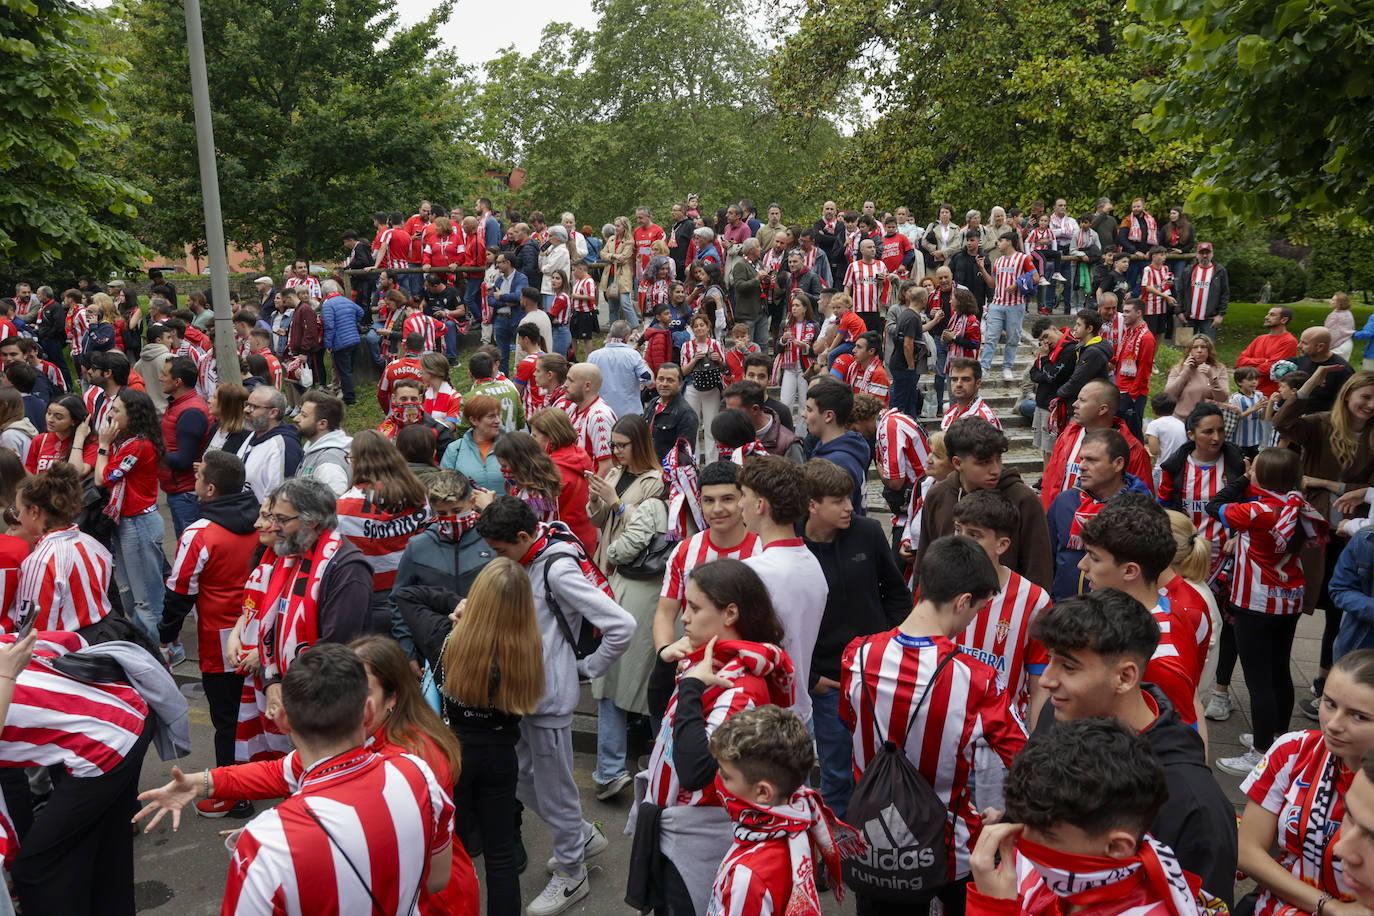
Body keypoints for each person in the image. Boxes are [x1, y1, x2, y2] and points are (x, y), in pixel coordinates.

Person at [842, 535, 1027, 915]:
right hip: (948, 855)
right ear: (962, 601)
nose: (972, 618)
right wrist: (1008, 815)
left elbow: (850, 725)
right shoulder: (977, 679)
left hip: (874, 848)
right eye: (975, 610)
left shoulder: (856, 655)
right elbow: (1031, 762)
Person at [476, 497, 635, 915]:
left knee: (556, 789)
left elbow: (622, 625)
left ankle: (572, 872)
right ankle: (579, 836)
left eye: (499, 550)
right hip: (526, 694)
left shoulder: (557, 567)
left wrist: (586, 668)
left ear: (524, 537)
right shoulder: (537, 551)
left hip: (546, 699)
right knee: (520, 776)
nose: (496, 559)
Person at [629, 558, 793, 916]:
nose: (683, 617)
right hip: (675, 829)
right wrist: (666, 663)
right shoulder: (708, 661)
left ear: (730, 613)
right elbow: (662, 717)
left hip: (696, 840)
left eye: (694, 607)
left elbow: (697, 769)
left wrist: (689, 687)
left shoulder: (740, 686)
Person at [397, 557, 542, 916]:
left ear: (475, 598)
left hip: (453, 755)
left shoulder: (444, 638)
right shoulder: (529, 649)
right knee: (501, 855)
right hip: (501, 756)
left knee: (452, 852)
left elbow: (405, 595)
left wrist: (452, 603)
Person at [967, 719, 1211, 916]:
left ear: (1116, 846)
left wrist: (992, 909)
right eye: (1023, 824)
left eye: (1046, 836)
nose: (1020, 843)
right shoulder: (1042, 855)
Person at [1208, 448, 1329, 775]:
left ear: (1261, 476)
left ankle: (1259, 753)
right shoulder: (1298, 506)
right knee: (1279, 673)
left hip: (1255, 603)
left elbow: (1214, 505)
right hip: (1287, 601)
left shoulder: (1256, 511)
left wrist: (1242, 480)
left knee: (1258, 680)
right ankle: (1276, 739)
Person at [802, 458, 911, 819]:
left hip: (878, 670)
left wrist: (897, 645)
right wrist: (812, 677)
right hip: (829, 681)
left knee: (891, 760)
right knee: (836, 773)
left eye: (850, 498)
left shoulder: (867, 532)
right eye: (839, 501)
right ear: (811, 505)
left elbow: (896, 593)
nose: (850, 507)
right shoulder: (791, 547)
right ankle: (839, 853)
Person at [1234, 650, 1374, 916]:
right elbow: (1246, 849)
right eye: (1329, 703)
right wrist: (1328, 906)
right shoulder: (1295, 749)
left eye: (1358, 716)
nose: (1333, 724)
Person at [159, 451, 260, 809]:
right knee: (259, 711)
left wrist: (166, 633)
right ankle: (262, 779)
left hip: (221, 638)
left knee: (226, 718)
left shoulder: (201, 532)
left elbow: (179, 591)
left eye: (199, 477)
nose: (194, 482)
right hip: (262, 631)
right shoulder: (264, 519)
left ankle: (230, 795)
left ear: (212, 489)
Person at [1275, 370, 1374, 720]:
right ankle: (1279, 678)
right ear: (1348, 394)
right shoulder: (1320, 424)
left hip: (1355, 535)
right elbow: (1282, 422)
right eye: (1365, 396)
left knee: (1340, 611)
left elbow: (1370, 488)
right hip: (1313, 531)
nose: (1370, 405)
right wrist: (1313, 379)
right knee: (1304, 600)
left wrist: (1325, 481)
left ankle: (1325, 679)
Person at [705, 704, 862, 916]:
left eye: (726, 776)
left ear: (762, 792)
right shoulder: (801, 822)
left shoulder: (748, 879)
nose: (718, 781)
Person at [585, 415, 667, 800]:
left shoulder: (656, 481)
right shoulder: (616, 473)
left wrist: (616, 503)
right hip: (609, 570)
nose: (615, 452)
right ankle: (625, 767)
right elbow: (603, 522)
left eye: (622, 445)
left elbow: (649, 529)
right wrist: (596, 501)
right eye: (613, 445)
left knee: (626, 676)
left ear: (639, 443)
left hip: (634, 577)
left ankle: (624, 768)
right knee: (626, 676)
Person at [737, 456, 827, 725]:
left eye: (744, 496)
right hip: (796, 708)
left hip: (761, 713)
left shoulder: (755, 572)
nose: (740, 504)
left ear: (760, 505)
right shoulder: (812, 563)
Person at [918, 417, 1054, 591]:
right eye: (984, 462)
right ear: (958, 463)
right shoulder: (937, 495)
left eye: (998, 459)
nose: (995, 469)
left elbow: (1038, 572)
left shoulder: (1024, 499)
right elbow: (924, 561)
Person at [94, 388, 169, 646]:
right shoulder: (126, 441)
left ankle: (165, 649)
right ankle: (143, 645)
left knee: (146, 597)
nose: (109, 414)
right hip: (126, 522)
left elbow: (102, 479)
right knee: (127, 591)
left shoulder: (138, 446)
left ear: (133, 414)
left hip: (139, 525)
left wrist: (102, 446)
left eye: (116, 410)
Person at [335, 430, 430, 631]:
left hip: (368, 593)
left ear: (358, 462)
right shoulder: (418, 493)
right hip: (415, 588)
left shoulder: (344, 507)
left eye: (350, 458)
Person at [529, 407, 598, 554]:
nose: (531, 440)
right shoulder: (579, 454)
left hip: (563, 544)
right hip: (586, 536)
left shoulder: (550, 470)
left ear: (551, 438)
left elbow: (536, 508)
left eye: (535, 436)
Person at [804, 378, 873, 517]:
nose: (803, 414)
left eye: (809, 410)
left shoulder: (838, 462)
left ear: (829, 416)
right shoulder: (838, 446)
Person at [158, 355, 210, 537]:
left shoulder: (190, 412)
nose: (160, 378)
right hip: (180, 491)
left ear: (178, 381)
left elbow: (184, 460)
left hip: (186, 494)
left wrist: (151, 449)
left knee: (189, 547)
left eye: (164, 374)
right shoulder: (179, 404)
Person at [977, 233, 1038, 380]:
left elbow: (1035, 278)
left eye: (1001, 241)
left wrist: (1017, 284)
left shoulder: (1023, 258)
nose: (998, 244)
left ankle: (1007, 367)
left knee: (1012, 337)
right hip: (997, 304)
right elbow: (992, 283)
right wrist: (982, 268)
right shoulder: (997, 260)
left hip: (1015, 304)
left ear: (1009, 242)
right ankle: (984, 368)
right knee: (991, 337)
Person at [235, 385, 302, 500]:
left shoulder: (284, 446)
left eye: (254, 407)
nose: (246, 410)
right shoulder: (254, 432)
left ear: (273, 413)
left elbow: (281, 498)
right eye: (247, 404)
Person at [681, 312, 727, 462]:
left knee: (711, 427)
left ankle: (711, 464)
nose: (699, 328)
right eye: (696, 326)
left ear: (708, 327)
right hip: (692, 387)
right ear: (692, 329)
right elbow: (682, 371)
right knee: (692, 426)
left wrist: (718, 360)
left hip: (712, 389)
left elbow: (724, 368)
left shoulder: (716, 344)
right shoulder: (686, 346)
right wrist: (694, 360)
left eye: (702, 325)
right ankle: (692, 464)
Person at [441, 393, 507, 494]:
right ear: (474, 420)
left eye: (498, 415)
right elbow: (444, 486)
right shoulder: (455, 449)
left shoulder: (511, 446)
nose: (498, 421)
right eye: (491, 417)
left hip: (509, 508)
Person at [723, 380, 802, 462]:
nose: (729, 417)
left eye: (733, 412)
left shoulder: (788, 444)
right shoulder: (730, 434)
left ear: (755, 409)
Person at [589, 320, 653, 419]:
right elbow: (649, 380)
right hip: (629, 414)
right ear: (627, 336)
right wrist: (645, 363)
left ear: (610, 334)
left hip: (601, 413)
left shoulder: (593, 356)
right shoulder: (633, 355)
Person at [294, 390, 352, 497]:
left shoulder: (329, 466)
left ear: (322, 424)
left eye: (304, 415)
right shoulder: (313, 449)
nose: (296, 418)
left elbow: (335, 509)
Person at [1054, 308, 1114, 407]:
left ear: (1089, 329)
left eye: (1079, 325)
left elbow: (1077, 381)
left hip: (1088, 406)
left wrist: (1059, 393)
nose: (1074, 328)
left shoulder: (1093, 352)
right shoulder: (1085, 347)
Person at [1116, 298, 1157, 440]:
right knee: (1121, 434)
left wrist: (1132, 396)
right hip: (1120, 389)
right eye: (1123, 311)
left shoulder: (1146, 338)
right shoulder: (1129, 332)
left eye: (1127, 311)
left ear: (1139, 313)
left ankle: (1137, 461)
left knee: (1132, 435)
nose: (1123, 314)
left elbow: (1144, 371)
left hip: (1133, 394)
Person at [1238, 305, 1299, 397]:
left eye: (1272, 315)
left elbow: (1272, 368)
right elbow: (1240, 362)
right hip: (1248, 393)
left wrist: (1249, 367)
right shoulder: (1260, 339)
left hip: (1270, 396)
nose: (1266, 317)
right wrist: (1263, 360)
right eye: (1268, 314)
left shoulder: (1289, 341)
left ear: (1284, 320)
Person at [1166, 334, 1231, 419]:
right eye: (1195, 347)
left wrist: (1212, 378)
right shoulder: (1178, 369)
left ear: (1209, 350)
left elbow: (1223, 398)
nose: (1199, 350)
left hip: (1206, 420)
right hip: (1181, 420)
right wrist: (1185, 372)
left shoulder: (1219, 369)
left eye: (1203, 347)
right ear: (1189, 351)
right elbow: (1169, 395)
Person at [1295, 327, 1356, 415]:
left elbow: (1343, 404)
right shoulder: (1303, 360)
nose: (1299, 345)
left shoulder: (1341, 370)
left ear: (1320, 347)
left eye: (1304, 343)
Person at [644, 363, 698, 461]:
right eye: (661, 379)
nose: (664, 384)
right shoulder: (653, 403)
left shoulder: (686, 414)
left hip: (666, 472)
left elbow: (684, 456)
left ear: (680, 384)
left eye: (670, 380)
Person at [1177, 241, 1229, 338]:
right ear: (1197, 255)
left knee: (1207, 348)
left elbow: (1225, 294)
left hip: (1209, 318)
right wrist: (1179, 312)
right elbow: (1180, 292)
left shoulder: (1220, 271)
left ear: (1212, 254)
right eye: (1201, 253)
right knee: (1187, 348)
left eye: (1207, 253)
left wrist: (1220, 315)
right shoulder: (1188, 271)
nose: (1204, 256)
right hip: (1189, 318)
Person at [25, 394, 85, 474]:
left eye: (58, 417)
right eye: (48, 413)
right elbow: (30, 472)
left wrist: (79, 440)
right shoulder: (39, 440)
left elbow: (77, 473)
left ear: (74, 421)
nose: (50, 419)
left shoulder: (86, 443)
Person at [941, 357, 1002, 431]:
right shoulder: (950, 413)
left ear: (978, 383)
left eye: (966, 379)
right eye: (954, 379)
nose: (958, 384)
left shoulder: (984, 418)